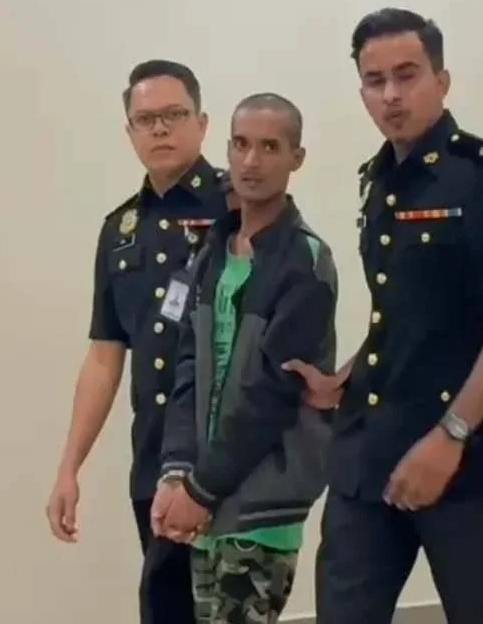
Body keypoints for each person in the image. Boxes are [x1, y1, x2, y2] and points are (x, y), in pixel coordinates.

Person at [284, 8, 483, 623]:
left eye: (407, 75)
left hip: (467, 453)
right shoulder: (377, 179)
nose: (391, 95)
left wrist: (450, 436)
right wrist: (343, 378)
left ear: (442, 80)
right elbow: (403, 315)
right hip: (369, 445)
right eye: (374, 81)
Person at [45, 59, 231, 624]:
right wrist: (69, 467)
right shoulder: (120, 230)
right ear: (129, 132)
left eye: (174, 115)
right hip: (153, 460)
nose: (160, 129)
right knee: (165, 609)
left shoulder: (239, 207)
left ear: (202, 122)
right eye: (145, 119)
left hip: (228, 462)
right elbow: (105, 356)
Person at [152, 93, 338, 624]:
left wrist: (200, 489)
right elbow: (188, 369)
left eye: (270, 147)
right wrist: (176, 472)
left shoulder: (305, 260)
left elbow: (271, 395)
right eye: (241, 144)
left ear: (296, 158)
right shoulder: (212, 252)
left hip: (260, 507)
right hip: (204, 499)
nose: (252, 161)